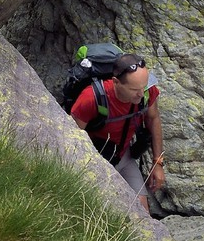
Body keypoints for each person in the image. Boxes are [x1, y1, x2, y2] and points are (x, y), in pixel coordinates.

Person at [70, 53, 165, 212]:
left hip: (123, 157)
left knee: (142, 213)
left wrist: (158, 163)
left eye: (144, 86)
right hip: (95, 159)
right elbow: (71, 136)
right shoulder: (91, 98)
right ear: (116, 82)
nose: (141, 94)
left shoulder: (146, 91)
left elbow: (153, 119)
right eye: (134, 89)